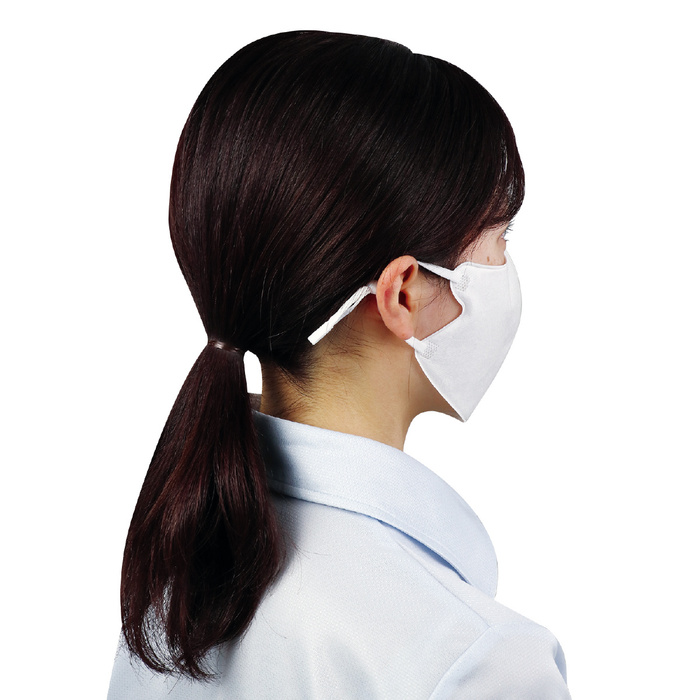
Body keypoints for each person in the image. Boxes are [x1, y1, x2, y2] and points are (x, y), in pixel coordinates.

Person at [107, 30, 571, 699]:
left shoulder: (170, 589)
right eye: (499, 237)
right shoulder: (476, 659)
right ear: (403, 293)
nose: (507, 265)